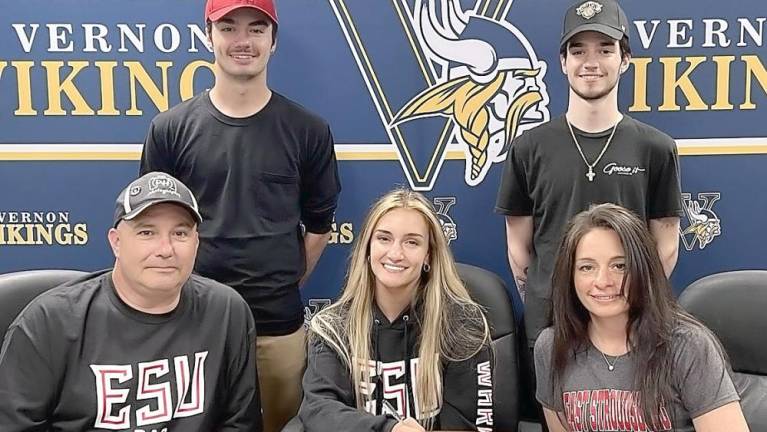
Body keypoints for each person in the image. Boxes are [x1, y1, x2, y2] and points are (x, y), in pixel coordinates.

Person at [139, 0, 341, 430]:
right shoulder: (170, 129)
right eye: (228, 27)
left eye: (256, 28)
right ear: (207, 36)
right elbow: (153, 229)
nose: (242, 40)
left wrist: (281, 277)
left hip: (279, 328)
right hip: (190, 326)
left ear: (274, 41)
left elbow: (320, 226)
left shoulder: (308, 130)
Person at [495, 0, 682, 422]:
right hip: (550, 330)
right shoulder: (529, 148)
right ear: (562, 62)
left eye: (605, 48)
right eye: (578, 50)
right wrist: (553, 299)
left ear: (625, 59)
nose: (591, 62)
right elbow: (520, 248)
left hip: (630, 332)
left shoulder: (656, 148)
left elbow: (665, 246)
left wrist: (623, 303)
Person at [0, 172, 261, 431]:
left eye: (180, 233)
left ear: (196, 242)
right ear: (116, 242)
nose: (165, 249)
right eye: (147, 232)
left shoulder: (227, 312)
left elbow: (239, 424)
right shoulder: (47, 323)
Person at [534, 203, 749, 432]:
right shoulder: (552, 346)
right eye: (587, 267)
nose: (603, 281)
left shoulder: (688, 346)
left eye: (619, 266)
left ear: (642, 270)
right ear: (570, 276)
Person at [299, 189, 494, 432]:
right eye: (384, 238)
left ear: (428, 255)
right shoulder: (332, 328)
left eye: (412, 242)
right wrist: (390, 429)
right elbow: (319, 411)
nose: (395, 253)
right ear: (367, 249)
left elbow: (469, 426)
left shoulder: (463, 325)